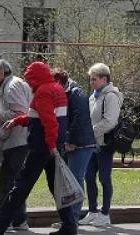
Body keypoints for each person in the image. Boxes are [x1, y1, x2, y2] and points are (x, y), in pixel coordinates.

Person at [0, 62, 74, 235]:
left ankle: (1, 221)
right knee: (56, 186)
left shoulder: (43, 91)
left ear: (36, 78)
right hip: (53, 145)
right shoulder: (56, 89)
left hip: (41, 146)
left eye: (30, 80)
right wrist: (17, 120)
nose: (29, 84)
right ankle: (69, 225)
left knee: (21, 184)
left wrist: (50, 144)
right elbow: (38, 116)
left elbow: (48, 121)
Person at [0, 60, 32, 232]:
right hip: (18, 139)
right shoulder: (12, 84)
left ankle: (3, 219)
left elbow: (20, 112)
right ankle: (18, 220)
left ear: (1, 72)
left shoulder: (11, 86)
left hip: (17, 139)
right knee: (13, 181)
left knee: (8, 181)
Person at [54, 68, 97, 235]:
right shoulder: (69, 92)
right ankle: (70, 218)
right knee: (72, 179)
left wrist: (70, 140)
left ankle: (73, 217)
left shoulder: (76, 92)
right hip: (75, 142)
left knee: (76, 179)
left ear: (59, 80)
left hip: (81, 143)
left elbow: (80, 117)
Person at [82, 63, 122, 229]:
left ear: (104, 79)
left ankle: (105, 214)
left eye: (94, 79)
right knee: (89, 178)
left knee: (104, 178)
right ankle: (92, 211)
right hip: (92, 144)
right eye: (91, 79)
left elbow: (110, 121)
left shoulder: (111, 96)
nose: (92, 82)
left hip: (105, 144)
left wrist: (91, 132)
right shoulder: (94, 96)